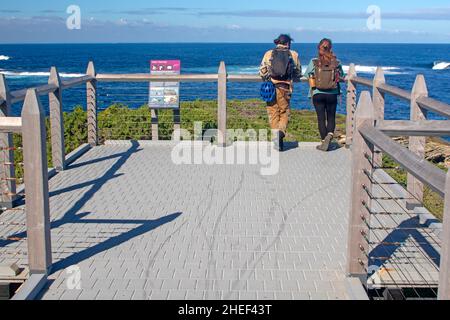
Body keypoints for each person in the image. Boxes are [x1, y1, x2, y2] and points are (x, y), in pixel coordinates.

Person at [259, 34, 302, 151]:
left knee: (273, 113)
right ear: (287, 43)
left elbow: (262, 72)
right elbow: (298, 72)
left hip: (271, 88)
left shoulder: (269, 53)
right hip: (285, 88)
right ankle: (281, 133)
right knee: (285, 112)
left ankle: (277, 140)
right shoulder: (293, 54)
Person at [305, 38, 345, 152]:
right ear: (331, 48)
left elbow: (307, 74)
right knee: (331, 117)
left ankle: (323, 142)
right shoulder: (336, 62)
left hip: (317, 93)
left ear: (319, 48)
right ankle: (330, 135)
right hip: (332, 94)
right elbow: (341, 75)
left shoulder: (314, 61)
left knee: (321, 119)